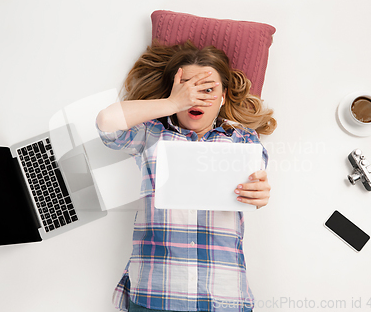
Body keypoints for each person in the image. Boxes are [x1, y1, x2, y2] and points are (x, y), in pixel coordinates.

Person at [96, 40, 276, 312]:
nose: (196, 97)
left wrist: (259, 195)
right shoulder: (151, 134)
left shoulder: (242, 139)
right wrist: (172, 102)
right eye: (188, 88)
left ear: (224, 97)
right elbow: (107, 124)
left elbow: (255, 181)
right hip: (155, 294)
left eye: (208, 90)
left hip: (224, 297)